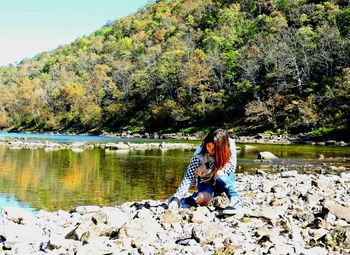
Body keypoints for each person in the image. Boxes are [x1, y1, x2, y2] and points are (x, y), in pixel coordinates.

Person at [168, 128, 241, 211]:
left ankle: (235, 199)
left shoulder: (229, 145)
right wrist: (176, 198)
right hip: (206, 180)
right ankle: (182, 200)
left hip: (224, 179)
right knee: (202, 199)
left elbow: (231, 168)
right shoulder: (199, 153)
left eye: (214, 149)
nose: (210, 150)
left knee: (219, 172)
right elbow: (189, 176)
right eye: (208, 146)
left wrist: (207, 166)